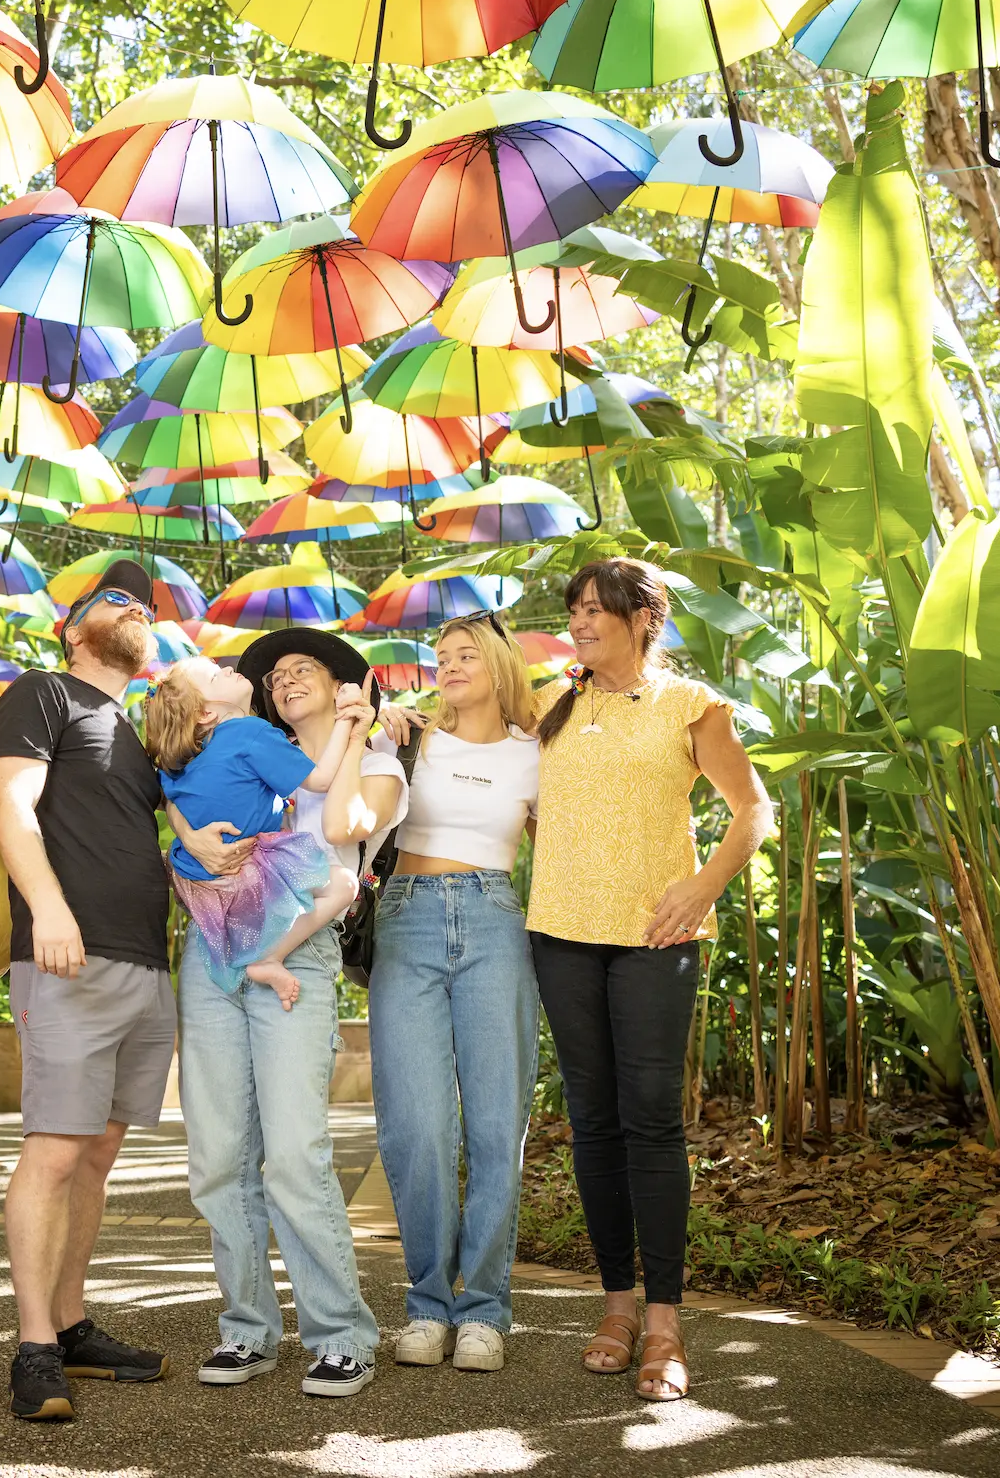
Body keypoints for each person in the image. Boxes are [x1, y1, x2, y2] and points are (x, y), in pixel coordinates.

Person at [0, 559, 251, 1422]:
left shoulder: (136, 733)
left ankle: (69, 1325)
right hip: (69, 956)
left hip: (144, 965)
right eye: (115, 599)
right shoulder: (42, 695)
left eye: (145, 604)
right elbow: (12, 809)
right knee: (55, 1151)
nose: (134, 608)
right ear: (73, 629)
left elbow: (151, 841)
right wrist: (49, 910)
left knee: (97, 1154)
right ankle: (31, 1348)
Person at [526, 557, 772, 1403]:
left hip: (652, 939)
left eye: (599, 609)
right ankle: (617, 1307)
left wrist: (703, 886)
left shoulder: (689, 705)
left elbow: (753, 808)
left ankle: (666, 1322)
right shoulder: (555, 707)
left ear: (643, 619)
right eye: (576, 610)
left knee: (651, 1122)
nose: (582, 621)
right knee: (592, 1123)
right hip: (559, 935)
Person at [171, 630, 399, 1399]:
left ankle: (340, 1336)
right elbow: (167, 794)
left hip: (296, 955)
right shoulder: (238, 751)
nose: (283, 675)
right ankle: (247, 1329)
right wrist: (185, 833)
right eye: (275, 672)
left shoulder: (368, 758)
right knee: (220, 1155)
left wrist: (356, 727)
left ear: (342, 685)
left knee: (295, 1154)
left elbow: (341, 832)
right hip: (212, 948)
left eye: (305, 666)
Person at [370, 612, 543, 1375]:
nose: (449, 664)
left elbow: (572, 846)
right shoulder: (407, 738)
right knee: (416, 1125)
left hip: (498, 922)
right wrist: (369, 729)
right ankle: (428, 1304)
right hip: (406, 917)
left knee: (498, 1121)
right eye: (441, 655)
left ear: (502, 664)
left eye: (467, 653)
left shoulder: (536, 754)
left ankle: (485, 1311)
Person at [142, 656, 366, 1011]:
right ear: (205, 713)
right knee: (344, 885)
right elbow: (321, 779)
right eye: (217, 676)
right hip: (248, 875)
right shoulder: (250, 733)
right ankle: (269, 958)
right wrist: (348, 720)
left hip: (192, 882)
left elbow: (166, 798)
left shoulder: (178, 759)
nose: (229, 669)